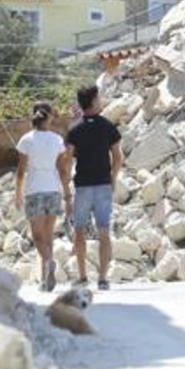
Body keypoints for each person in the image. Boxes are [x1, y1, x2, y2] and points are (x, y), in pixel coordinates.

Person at [65, 84, 123, 290]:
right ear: (94, 101)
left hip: (82, 187)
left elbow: (67, 161)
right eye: (99, 97)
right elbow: (118, 158)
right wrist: (113, 178)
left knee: (79, 231)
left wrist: (66, 189)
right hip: (103, 186)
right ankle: (103, 278)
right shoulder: (108, 126)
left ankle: (82, 277)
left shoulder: (74, 129)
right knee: (104, 231)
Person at [14, 102, 72, 292]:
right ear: (50, 117)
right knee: (48, 236)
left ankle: (49, 263)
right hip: (53, 190)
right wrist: (67, 193)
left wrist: (17, 193)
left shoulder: (26, 140)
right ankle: (46, 279)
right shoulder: (57, 140)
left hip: (34, 190)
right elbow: (63, 169)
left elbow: (21, 171)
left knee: (37, 237)